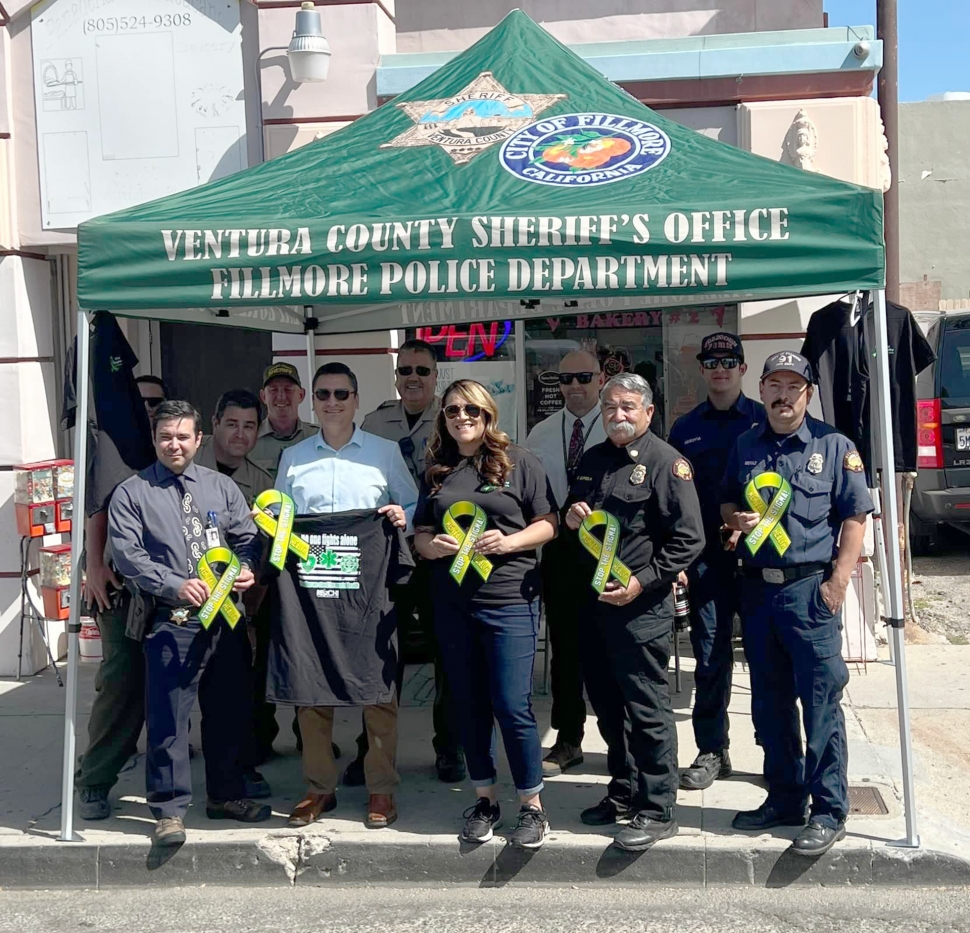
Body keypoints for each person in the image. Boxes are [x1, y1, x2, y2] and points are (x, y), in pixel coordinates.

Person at [720, 350, 872, 857]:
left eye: (794, 387)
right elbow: (725, 500)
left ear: (807, 393)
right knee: (769, 704)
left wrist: (838, 584)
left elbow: (854, 518)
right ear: (761, 389)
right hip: (759, 593)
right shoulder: (745, 445)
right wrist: (734, 519)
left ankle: (829, 809)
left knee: (822, 703)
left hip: (810, 593)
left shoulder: (834, 446)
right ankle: (785, 798)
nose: (783, 396)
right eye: (775, 385)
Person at [108, 400, 270, 846]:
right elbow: (128, 556)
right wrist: (175, 584)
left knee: (230, 710)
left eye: (183, 436)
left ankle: (226, 795)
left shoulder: (221, 487)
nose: (174, 444)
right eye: (165, 436)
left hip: (226, 619)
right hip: (171, 619)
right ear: (155, 439)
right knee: (169, 719)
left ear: (199, 439)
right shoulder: (132, 493)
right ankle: (169, 809)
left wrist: (246, 565)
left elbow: (246, 537)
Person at [414, 380, 557, 849]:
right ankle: (484, 800)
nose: (463, 417)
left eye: (472, 409)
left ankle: (533, 808)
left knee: (511, 705)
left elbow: (549, 523)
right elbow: (421, 532)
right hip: (454, 604)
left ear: (488, 414)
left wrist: (510, 541)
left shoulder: (518, 461)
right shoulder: (437, 469)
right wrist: (430, 546)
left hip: (509, 601)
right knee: (468, 705)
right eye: (454, 409)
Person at [564, 373, 703, 851]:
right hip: (594, 605)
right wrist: (570, 516)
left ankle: (658, 805)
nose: (617, 416)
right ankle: (622, 790)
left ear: (648, 412)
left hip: (640, 608)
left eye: (627, 407)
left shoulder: (668, 464)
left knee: (646, 709)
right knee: (606, 706)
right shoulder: (593, 460)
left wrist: (643, 582)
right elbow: (575, 518)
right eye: (609, 408)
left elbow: (689, 539)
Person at [275, 362, 417, 831]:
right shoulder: (294, 458)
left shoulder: (384, 451)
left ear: (356, 399)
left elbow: (412, 504)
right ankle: (319, 788)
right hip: (311, 594)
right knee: (310, 688)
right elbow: (279, 516)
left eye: (341, 394)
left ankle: (381, 789)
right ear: (312, 401)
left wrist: (401, 514)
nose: (331, 402)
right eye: (323, 395)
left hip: (368, 589)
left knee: (378, 689)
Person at [355, 338, 465, 785]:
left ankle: (450, 748)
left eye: (422, 370)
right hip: (388, 553)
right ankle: (371, 752)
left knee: (447, 652)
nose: (413, 378)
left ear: (436, 376)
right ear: (396, 377)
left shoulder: (456, 419)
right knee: (381, 654)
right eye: (406, 371)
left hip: (440, 551)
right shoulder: (375, 422)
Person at [667, 333, 765, 791]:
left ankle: (776, 748)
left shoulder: (766, 421)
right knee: (709, 659)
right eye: (712, 361)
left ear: (743, 368)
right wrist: (676, 561)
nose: (721, 368)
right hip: (707, 560)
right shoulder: (685, 430)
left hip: (764, 559)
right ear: (702, 369)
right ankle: (712, 750)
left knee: (769, 659)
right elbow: (670, 502)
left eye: (730, 360)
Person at [73, 318, 156, 821]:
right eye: (137, 400)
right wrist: (97, 563)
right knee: (122, 676)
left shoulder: (167, 446)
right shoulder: (115, 445)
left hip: (169, 579)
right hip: (119, 578)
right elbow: (98, 503)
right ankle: (96, 777)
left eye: (152, 404)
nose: (142, 410)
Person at [525, 349, 606, 776]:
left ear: (600, 379)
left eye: (583, 377)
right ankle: (568, 737)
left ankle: (620, 739)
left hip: (607, 549)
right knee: (565, 650)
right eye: (565, 379)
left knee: (611, 649)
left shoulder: (616, 427)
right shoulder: (539, 433)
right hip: (558, 549)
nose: (575, 386)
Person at [196, 389, 276, 797]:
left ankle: (239, 769)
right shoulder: (184, 465)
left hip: (233, 608)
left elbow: (263, 555)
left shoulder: (262, 484)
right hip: (183, 600)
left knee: (235, 693)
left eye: (249, 426)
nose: (240, 434)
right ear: (213, 424)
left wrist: (251, 615)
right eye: (231, 424)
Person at [249, 363, 317, 479]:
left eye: (288, 389)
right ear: (263, 396)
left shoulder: (318, 437)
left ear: (301, 395)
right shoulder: (249, 440)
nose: (281, 396)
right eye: (273, 390)